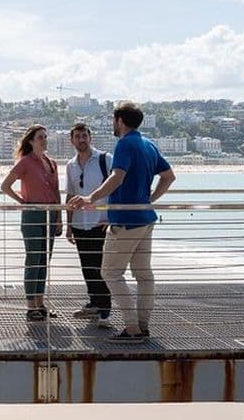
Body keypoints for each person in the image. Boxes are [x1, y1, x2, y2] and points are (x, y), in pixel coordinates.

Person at [69, 101, 175, 343]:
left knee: (110, 272)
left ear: (120, 121)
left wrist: (90, 198)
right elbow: (169, 177)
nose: (112, 125)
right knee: (144, 275)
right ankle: (143, 327)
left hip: (126, 220)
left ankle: (132, 329)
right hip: (145, 218)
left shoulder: (125, 144)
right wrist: (149, 199)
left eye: (113, 120)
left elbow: (117, 176)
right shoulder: (148, 144)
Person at [1, 124, 62, 322]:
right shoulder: (25, 162)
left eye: (45, 136)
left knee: (45, 260)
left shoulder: (51, 163)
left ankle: (40, 303)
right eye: (40, 137)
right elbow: (6, 186)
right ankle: (30, 306)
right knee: (33, 259)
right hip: (33, 215)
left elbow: (56, 192)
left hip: (50, 215)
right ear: (31, 141)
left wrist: (59, 218)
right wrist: (23, 201)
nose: (44, 140)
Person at [65, 123, 113, 328]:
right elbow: (69, 195)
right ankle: (94, 303)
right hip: (79, 223)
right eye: (77, 136)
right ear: (72, 140)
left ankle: (105, 310)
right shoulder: (70, 165)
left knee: (101, 267)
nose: (81, 139)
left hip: (100, 223)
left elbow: (118, 186)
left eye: (84, 136)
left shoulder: (105, 159)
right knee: (87, 266)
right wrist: (68, 224)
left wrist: (111, 216)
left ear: (90, 138)